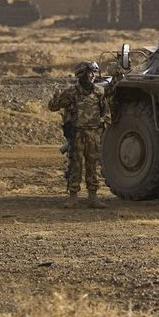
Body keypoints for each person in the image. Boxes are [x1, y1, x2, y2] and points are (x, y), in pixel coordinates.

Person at [48, 61, 107, 209]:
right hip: (78, 134)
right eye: (90, 73)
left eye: (94, 73)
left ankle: (93, 197)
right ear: (82, 75)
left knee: (92, 165)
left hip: (93, 134)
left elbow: (106, 112)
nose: (93, 76)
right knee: (75, 165)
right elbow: (53, 107)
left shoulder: (99, 92)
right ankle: (73, 197)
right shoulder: (72, 92)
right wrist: (56, 97)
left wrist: (103, 125)